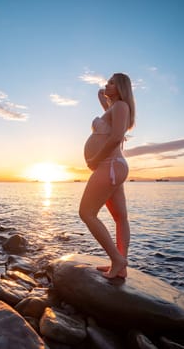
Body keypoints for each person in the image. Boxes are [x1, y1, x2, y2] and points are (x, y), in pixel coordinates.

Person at [79, 73, 135, 279]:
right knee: (121, 217)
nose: (106, 84)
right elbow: (101, 94)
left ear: (121, 87)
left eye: (112, 82)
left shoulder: (121, 107)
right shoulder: (115, 108)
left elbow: (117, 137)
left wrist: (94, 159)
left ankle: (117, 259)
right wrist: (107, 92)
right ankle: (122, 266)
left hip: (109, 165)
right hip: (113, 166)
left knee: (86, 213)